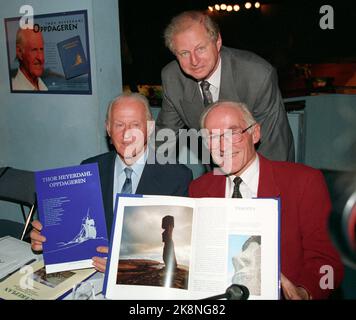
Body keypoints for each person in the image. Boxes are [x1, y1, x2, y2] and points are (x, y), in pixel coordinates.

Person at [189, 100, 344, 299]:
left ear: (255, 134)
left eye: (233, 133)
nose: (221, 146)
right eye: (212, 137)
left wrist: (305, 292)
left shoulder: (303, 182)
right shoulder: (199, 189)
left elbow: (329, 263)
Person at [30, 93, 193, 272]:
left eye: (135, 125)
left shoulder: (176, 176)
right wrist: (48, 239)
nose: (126, 134)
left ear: (150, 127)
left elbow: (180, 246)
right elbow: (75, 226)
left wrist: (120, 266)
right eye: (119, 125)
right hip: (91, 272)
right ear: (108, 128)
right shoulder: (89, 169)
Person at [156, 10, 294, 162]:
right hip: (216, 166)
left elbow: (273, 147)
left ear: (218, 41)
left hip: (260, 165)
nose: (194, 61)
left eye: (200, 49)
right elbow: (163, 138)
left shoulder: (256, 75)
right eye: (184, 53)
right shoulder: (173, 77)